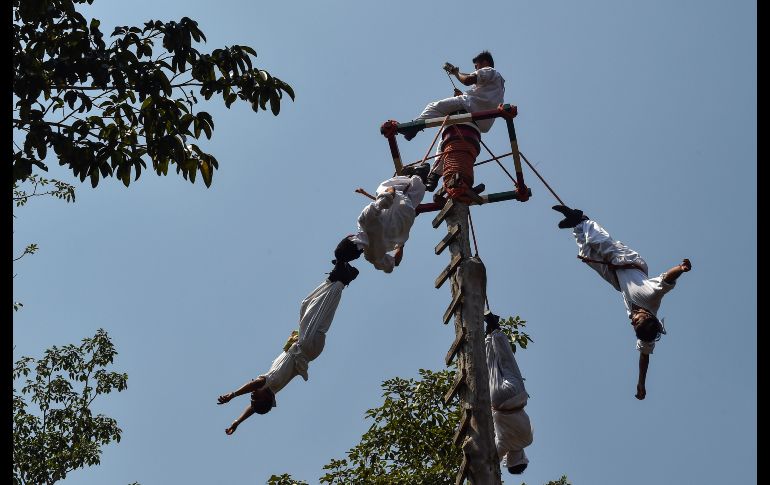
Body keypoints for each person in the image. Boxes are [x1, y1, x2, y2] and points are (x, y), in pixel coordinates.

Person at [552, 205, 692, 400]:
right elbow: (666, 279)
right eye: (637, 319)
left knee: (587, 255)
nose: (633, 319)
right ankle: (582, 219)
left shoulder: (645, 332)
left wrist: (641, 383)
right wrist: (681, 268)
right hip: (629, 262)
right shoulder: (650, 296)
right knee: (599, 242)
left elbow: (644, 356)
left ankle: (576, 225)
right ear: (649, 315)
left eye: (633, 323)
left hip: (618, 279)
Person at [216, 261, 359, 434]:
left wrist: (237, 421)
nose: (251, 396)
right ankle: (343, 280)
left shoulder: (272, 388)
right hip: (306, 348)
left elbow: (254, 408)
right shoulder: (270, 381)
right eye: (254, 398)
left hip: (307, 348)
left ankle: (334, 278)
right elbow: (255, 386)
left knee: (306, 305)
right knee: (315, 312)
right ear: (267, 397)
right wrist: (233, 395)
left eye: (251, 399)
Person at [401, 51, 506, 191]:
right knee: (445, 143)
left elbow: (468, 80)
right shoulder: (498, 86)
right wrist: (462, 95)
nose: (476, 69)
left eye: (477, 66)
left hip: (468, 108)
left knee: (434, 107)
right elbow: (482, 99)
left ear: (485, 63)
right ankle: (433, 178)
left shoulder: (489, 71)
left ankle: (414, 127)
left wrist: (456, 73)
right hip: (480, 121)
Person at [334, 165, 429, 273]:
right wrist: (390, 191)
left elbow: (395, 263)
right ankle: (414, 175)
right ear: (349, 237)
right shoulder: (364, 221)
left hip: (407, 217)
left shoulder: (373, 256)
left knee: (410, 199)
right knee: (381, 189)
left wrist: (401, 244)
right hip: (400, 205)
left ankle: (420, 178)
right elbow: (385, 199)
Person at [484, 311, 534, 475]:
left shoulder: (529, 440)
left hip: (518, 397)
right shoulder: (503, 446)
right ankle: (488, 336)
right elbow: (492, 458)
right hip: (498, 402)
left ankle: (495, 329)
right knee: (491, 367)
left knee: (507, 360)